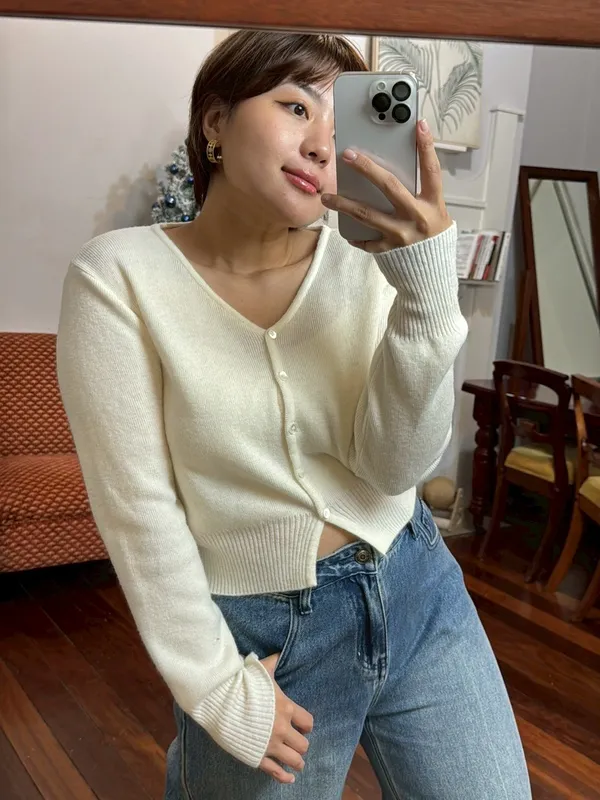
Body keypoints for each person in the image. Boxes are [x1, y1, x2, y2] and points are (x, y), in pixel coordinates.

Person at [56, 29, 531, 800]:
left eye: (341, 127)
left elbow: (394, 467)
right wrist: (215, 686)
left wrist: (425, 296)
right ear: (215, 121)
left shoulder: (370, 265)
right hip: (266, 635)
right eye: (295, 107)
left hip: (417, 586)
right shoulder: (118, 278)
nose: (320, 145)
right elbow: (140, 511)